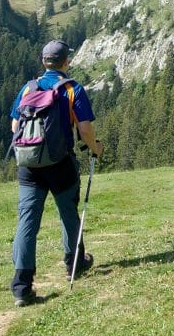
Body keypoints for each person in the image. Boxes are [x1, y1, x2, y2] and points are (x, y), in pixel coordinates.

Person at [10, 39, 104, 306]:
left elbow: (15, 124)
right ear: (66, 62)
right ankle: (74, 264)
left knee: (27, 222)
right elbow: (85, 129)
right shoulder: (72, 89)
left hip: (29, 167)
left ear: (44, 61)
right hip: (60, 164)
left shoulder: (27, 89)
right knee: (68, 214)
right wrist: (95, 148)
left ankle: (21, 286)